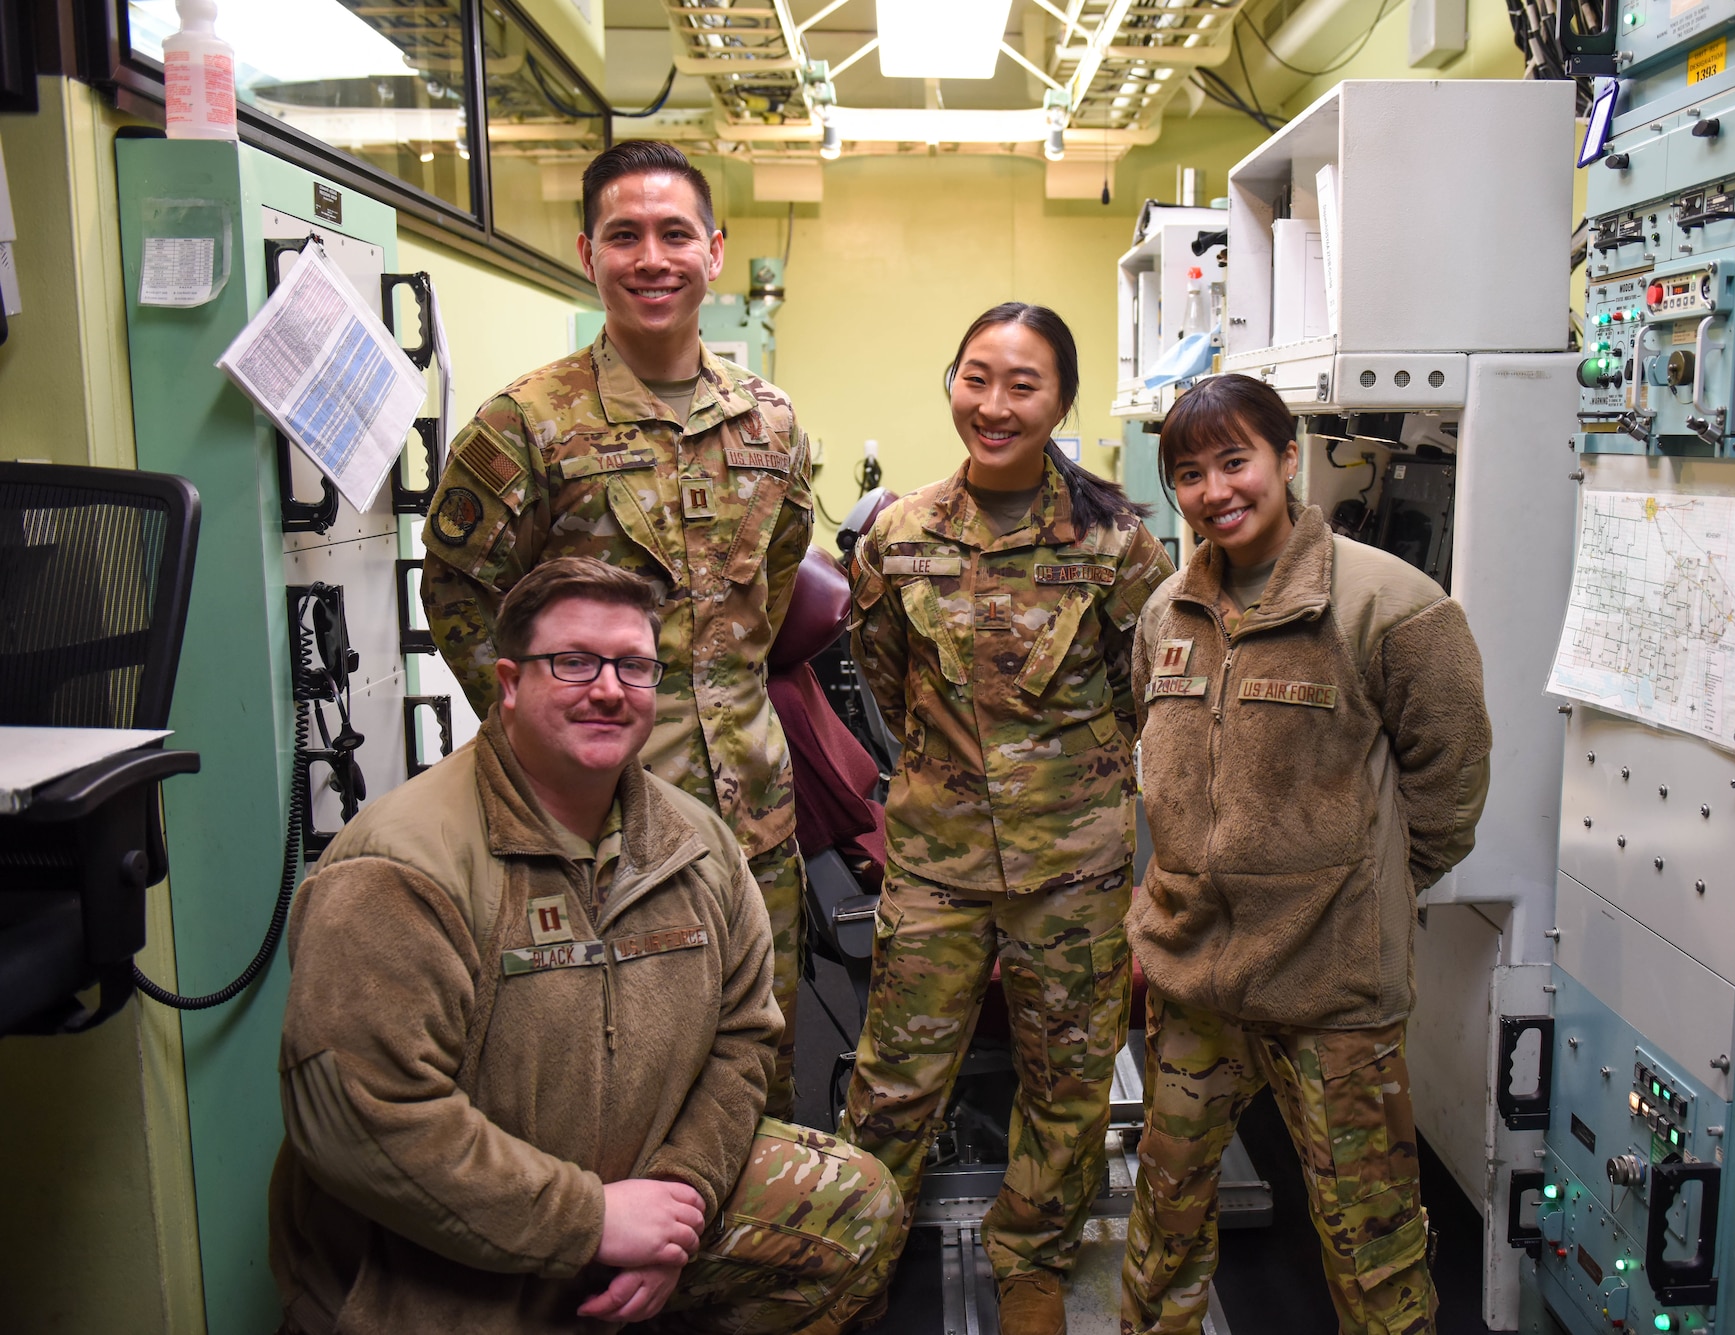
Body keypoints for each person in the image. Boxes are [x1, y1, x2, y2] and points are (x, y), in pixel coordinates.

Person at [269, 557, 900, 1335]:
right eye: (573, 662)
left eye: (633, 666)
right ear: (507, 682)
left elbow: (745, 1038)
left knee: (855, 1207)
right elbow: (366, 1119)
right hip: (441, 1255)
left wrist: (679, 1206)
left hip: (641, 1197)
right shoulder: (402, 869)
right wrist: (591, 1219)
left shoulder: (694, 843)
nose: (607, 688)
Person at [420, 140, 814, 1120]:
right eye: (624, 235)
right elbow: (461, 600)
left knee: (758, 1068)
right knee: (616, 1083)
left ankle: (763, 1267)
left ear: (714, 250)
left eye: (674, 233)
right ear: (586, 250)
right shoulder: (524, 426)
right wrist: (551, 748)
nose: (652, 258)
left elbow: (769, 582)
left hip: (755, 821)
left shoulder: (770, 423)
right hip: (600, 834)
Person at [1119, 375, 1492, 1335]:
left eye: (1235, 460)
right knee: (1164, 1225)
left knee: (1374, 1253)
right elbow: (1160, 763)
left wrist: (1356, 894)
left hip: (1333, 991)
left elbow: (1448, 791)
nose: (1215, 490)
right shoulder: (1167, 610)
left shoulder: (1394, 608)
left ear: (1289, 459)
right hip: (1196, 975)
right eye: (1189, 473)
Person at [840, 303, 1176, 1335]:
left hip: (1072, 867)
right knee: (894, 1080)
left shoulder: (1117, 546)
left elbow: (1144, 697)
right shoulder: (896, 538)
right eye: (975, 377)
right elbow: (886, 687)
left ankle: (1031, 1256)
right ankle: (858, 1251)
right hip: (937, 863)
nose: (994, 405)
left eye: (1022, 385)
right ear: (950, 384)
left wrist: (1060, 785)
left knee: (1067, 1078)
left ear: (1060, 403)